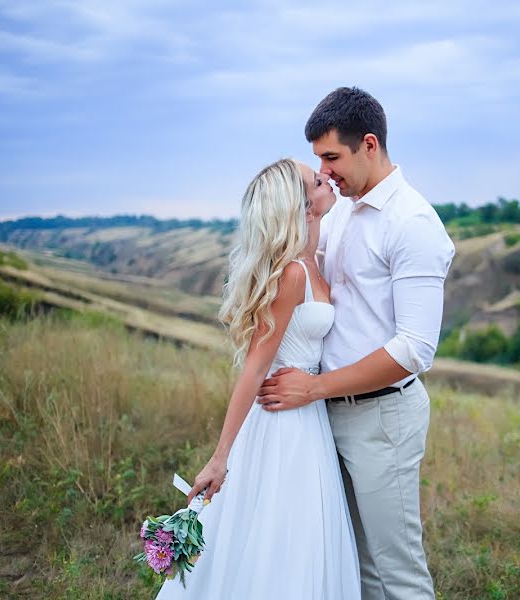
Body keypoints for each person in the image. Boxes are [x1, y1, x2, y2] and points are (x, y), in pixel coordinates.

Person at [256, 87, 455, 600]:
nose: (324, 172)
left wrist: (315, 387)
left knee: (397, 572)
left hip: (381, 419)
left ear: (369, 144)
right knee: (349, 562)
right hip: (322, 418)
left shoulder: (412, 224)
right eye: (319, 159)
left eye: (331, 157)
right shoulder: (341, 208)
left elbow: (414, 350)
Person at [158, 158, 360, 599]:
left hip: (310, 418)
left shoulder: (313, 262)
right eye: (315, 179)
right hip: (281, 424)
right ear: (301, 203)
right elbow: (254, 367)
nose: (326, 177)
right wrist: (220, 456)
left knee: (304, 536)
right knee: (280, 537)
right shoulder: (292, 274)